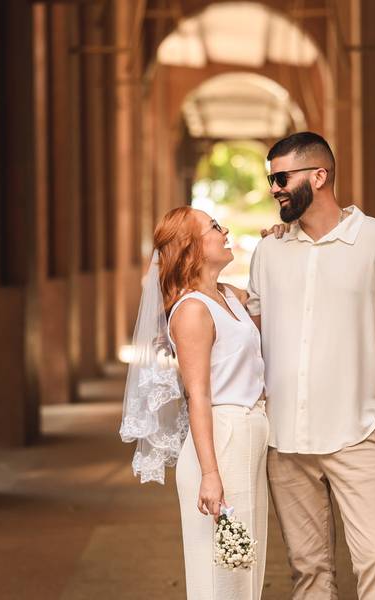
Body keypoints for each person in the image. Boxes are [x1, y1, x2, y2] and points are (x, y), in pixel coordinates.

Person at [249, 131, 375, 599]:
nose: (275, 189)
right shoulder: (268, 251)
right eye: (271, 180)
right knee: (309, 572)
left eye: (282, 177)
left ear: (319, 175)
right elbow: (252, 337)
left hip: (359, 435)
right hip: (286, 440)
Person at [120, 206, 269, 600]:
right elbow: (197, 395)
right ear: (191, 249)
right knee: (221, 579)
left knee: (245, 571)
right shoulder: (191, 312)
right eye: (214, 227)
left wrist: (278, 242)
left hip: (248, 437)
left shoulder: (229, 296)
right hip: (221, 441)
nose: (225, 231)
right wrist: (210, 473)